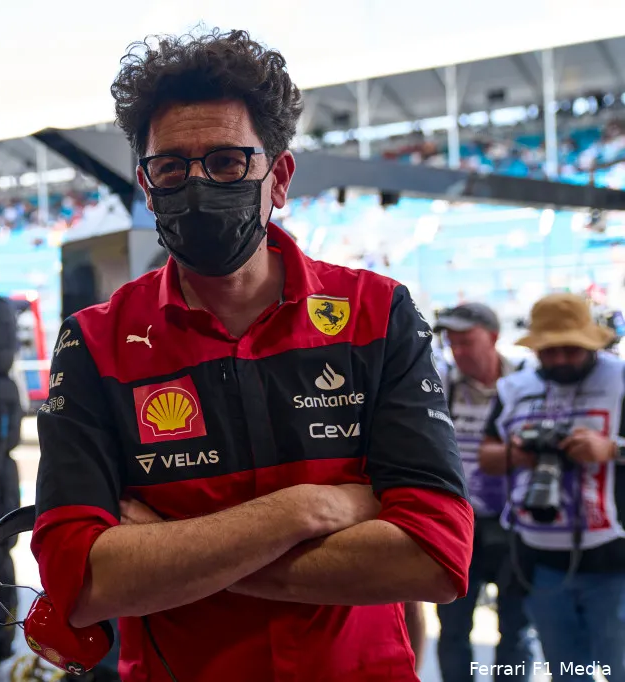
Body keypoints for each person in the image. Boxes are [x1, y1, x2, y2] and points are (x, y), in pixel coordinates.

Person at [32, 29, 474, 681]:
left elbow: (434, 558)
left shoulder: (378, 313)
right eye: (173, 167)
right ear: (147, 187)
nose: (198, 183)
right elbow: (81, 579)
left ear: (279, 176)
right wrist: (307, 509)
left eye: (226, 162)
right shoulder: (95, 343)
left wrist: (166, 555)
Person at [479, 293, 625, 681]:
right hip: (540, 561)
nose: (559, 359)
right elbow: (487, 456)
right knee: (566, 672)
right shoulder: (514, 387)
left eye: (570, 350)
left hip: (614, 562)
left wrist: (611, 448)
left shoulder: (621, 379)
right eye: (549, 351)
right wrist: (518, 454)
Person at [433, 303, 534, 681]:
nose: (459, 350)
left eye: (467, 340)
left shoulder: (527, 381)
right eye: (452, 342)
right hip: (460, 526)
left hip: (517, 525)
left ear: (492, 337)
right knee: (454, 627)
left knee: (517, 627)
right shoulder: (442, 384)